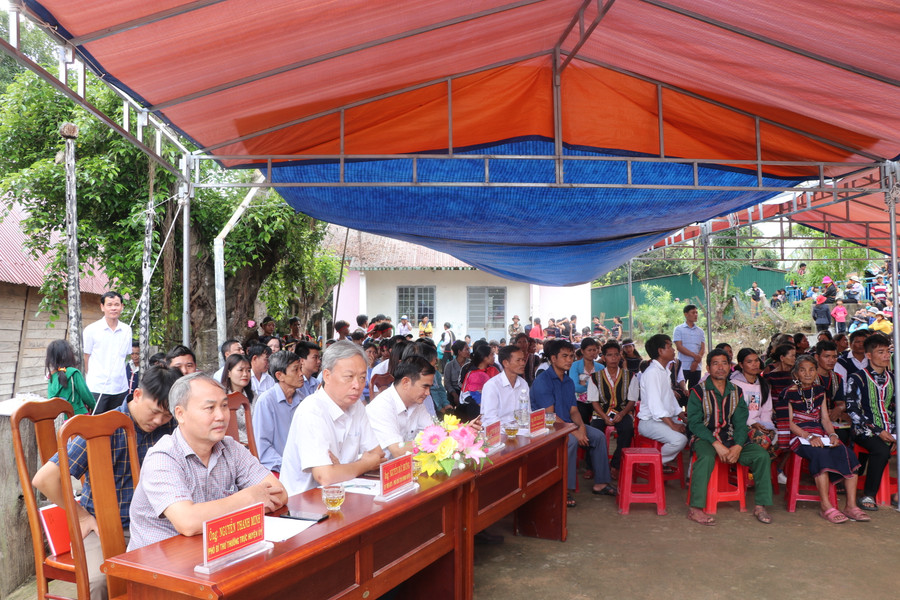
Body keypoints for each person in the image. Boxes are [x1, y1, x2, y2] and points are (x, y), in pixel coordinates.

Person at [33, 366, 181, 598]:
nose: (159, 421)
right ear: (138, 395)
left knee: (180, 574)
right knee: (101, 582)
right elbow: (44, 479)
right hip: (104, 527)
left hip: (157, 525)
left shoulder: (172, 427)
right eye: (154, 412)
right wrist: (83, 516)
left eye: (167, 415)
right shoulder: (100, 429)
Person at [128, 373, 287, 550]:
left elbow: (279, 494)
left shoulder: (230, 447)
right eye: (210, 408)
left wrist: (212, 515)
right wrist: (248, 499)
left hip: (215, 550)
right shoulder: (163, 457)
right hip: (160, 565)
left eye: (224, 406)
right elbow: (188, 522)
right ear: (180, 414)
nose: (221, 416)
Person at [280, 341, 386, 494]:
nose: (357, 385)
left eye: (362, 378)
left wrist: (340, 467)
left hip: (344, 492)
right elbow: (326, 476)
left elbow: (378, 455)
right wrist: (364, 464)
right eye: (349, 377)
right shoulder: (312, 410)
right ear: (327, 376)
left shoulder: (356, 406)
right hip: (305, 503)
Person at [687, 349, 773, 525]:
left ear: (730, 367)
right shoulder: (698, 391)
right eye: (715, 363)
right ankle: (695, 509)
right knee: (705, 458)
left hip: (732, 438)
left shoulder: (736, 391)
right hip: (706, 438)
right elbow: (694, 424)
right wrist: (716, 444)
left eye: (724, 363)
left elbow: (741, 423)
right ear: (708, 367)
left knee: (761, 456)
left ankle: (760, 505)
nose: (720, 367)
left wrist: (739, 446)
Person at [531, 339, 616, 506]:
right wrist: (574, 432)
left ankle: (601, 483)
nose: (569, 360)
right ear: (553, 358)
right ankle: (564, 489)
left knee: (597, 436)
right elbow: (550, 416)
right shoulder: (543, 381)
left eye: (571, 356)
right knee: (570, 442)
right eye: (564, 356)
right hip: (546, 427)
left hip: (567, 424)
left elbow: (573, 410)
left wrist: (582, 427)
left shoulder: (568, 381)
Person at [785, 356, 867, 523]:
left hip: (820, 434)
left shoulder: (820, 391)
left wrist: (832, 435)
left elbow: (824, 419)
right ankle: (825, 505)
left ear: (816, 372)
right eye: (802, 370)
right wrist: (808, 436)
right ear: (795, 373)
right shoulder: (788, 393)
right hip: (799, 436)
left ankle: (850, 506)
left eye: (811, 370)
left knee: (847, 453)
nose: (807, 373)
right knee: (821, 456)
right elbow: (789, 422)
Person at [847, 333, 896, 511]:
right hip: (864, 431)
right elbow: (853, 411)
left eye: (887, 352)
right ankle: (868, 494)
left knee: (885, 446)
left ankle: (897, 494)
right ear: (869, 355)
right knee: (881, 450)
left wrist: (894, 432)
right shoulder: (857, 378)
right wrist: (878, 430)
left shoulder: (893, 378)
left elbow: (895, 407)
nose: (885, 356)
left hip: (889, 429)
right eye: (880, 352)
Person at [366, 356, 436, 459]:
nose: (428, 393)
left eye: (430, 387)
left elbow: (433, 433)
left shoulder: (417, 402)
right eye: (425, 387)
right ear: (405, 383)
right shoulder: (381, 406)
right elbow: (399, 451)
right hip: (378, 471)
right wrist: (435, 442)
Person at [587, 340, 638, 473]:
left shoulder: (630, 376)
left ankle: (615, 465)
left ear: (620, 356)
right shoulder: (594, 377)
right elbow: (594, 401)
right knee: (593, 432)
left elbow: (632, 400)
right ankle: (592, 466)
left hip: (623, 411)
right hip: (600, 413)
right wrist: (604, 416)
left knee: (627, 429)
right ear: (603, 358)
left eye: (616, 354)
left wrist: (622, 414)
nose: (613, 358)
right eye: (610, 355)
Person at [638, 334, 688, 467]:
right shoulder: (652, 373)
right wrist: (673, 425)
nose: (673, 350)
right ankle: (654, 464)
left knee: (694, 431)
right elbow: (656, 407)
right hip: (650, 422)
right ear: (660, 351)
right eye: (670, 346)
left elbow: (670, 398)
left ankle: (658, 462)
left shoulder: (664, 371)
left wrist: (682, 416)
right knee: (679, 440)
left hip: (663, 420)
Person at [253, 351, 307, 473]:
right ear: (279, 375)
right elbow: (262, 447)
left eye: (301, 369)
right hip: (277, 469)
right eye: (296, 370)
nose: (301, 374)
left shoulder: (303, 399)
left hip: (302, 467)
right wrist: (288, 466)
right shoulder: (266, 401)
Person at [83, 291, 132, 414]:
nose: (113, 308)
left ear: (122, 307)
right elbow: (86, 357)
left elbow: (125, 356)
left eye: (116, 304)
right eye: (109, 305)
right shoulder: (91, 330)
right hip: (97, 388)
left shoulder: (127, 329)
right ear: (102, 307)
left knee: (117, 425)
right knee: (96, 425)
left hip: (120, 388)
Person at [730, 348, 776, 455]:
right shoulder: (734, 385)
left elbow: (766, 410)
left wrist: (767, 426)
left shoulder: (763, 384)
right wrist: (752, 423)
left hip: (760, 424)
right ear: (741, 365)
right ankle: (751, 468)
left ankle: (760, 469)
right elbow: (734, 411)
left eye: (756, 360)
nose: (755, 364)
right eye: (749, 362)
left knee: (780, 442)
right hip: (741, 425)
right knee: (764, 441)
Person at [45, 339, 96, 416]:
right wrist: (94, 406)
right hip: (78, 416)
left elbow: (50, 399)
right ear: (69, 355)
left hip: (60, 419)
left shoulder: (51, 376)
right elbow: (86, 395)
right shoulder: (74, 373)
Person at [481, 344, 529, 425]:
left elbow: (527, 412)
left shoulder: (523, 384)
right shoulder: (492, 386)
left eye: (523, 360)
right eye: (518, 360)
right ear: (506, 363)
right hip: (497, 432)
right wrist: (511, 429)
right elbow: (490, 419)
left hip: (519, 430)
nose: (522, 363)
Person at [815, 340, 850, 445]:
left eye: (834, 357)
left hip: (831, 420)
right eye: (827, 356)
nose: (831, 360)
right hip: (813, 420)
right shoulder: (808, 377)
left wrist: (838, 409)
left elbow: (841, 402)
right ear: (817, 357)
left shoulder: (837, 378)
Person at [764, 343, 798, 453]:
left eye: (795, 356)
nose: (794, 358)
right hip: (778, 413)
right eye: (792, 356)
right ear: (782, 358)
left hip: (797, 411)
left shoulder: (797, 375)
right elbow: (767, 400)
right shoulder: (771, 377)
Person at [569, 337, 604, 433]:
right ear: (582, 351)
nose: (592, 352)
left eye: (594, 350)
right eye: (589, 350)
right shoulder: (574, 365)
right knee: (581, 417)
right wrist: (593, 384)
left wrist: (584, 383)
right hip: (579, 401)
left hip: (597, 400)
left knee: (599, 422)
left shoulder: (601, 367)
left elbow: (602, 387)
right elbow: (575, 387)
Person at [459, 344, 500, 420]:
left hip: (494, 407)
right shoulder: (471, 373)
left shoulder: (494, 370)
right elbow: (465, 396)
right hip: (476, 410)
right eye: (492, 354)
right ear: (485, 357)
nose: (494, 356)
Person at [220, 353, 254, 443]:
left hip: (255, 444)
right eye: (240, 370)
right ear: (228, 373)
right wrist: (248, 441)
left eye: (248, 370)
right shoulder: (221, 398)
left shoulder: (255, 397)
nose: (245, 374)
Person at [673, 304, 705, 389]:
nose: (696, 315)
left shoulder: (700, 331)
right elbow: (679, 347)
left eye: (696, 313)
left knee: (694, 391)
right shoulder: (678, 329)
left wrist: (696, 362)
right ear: (686, 314)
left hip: (697, 366)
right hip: (682, 366)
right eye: (693, 312)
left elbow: (702, 348)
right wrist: (695, 356)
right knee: (680, 390)